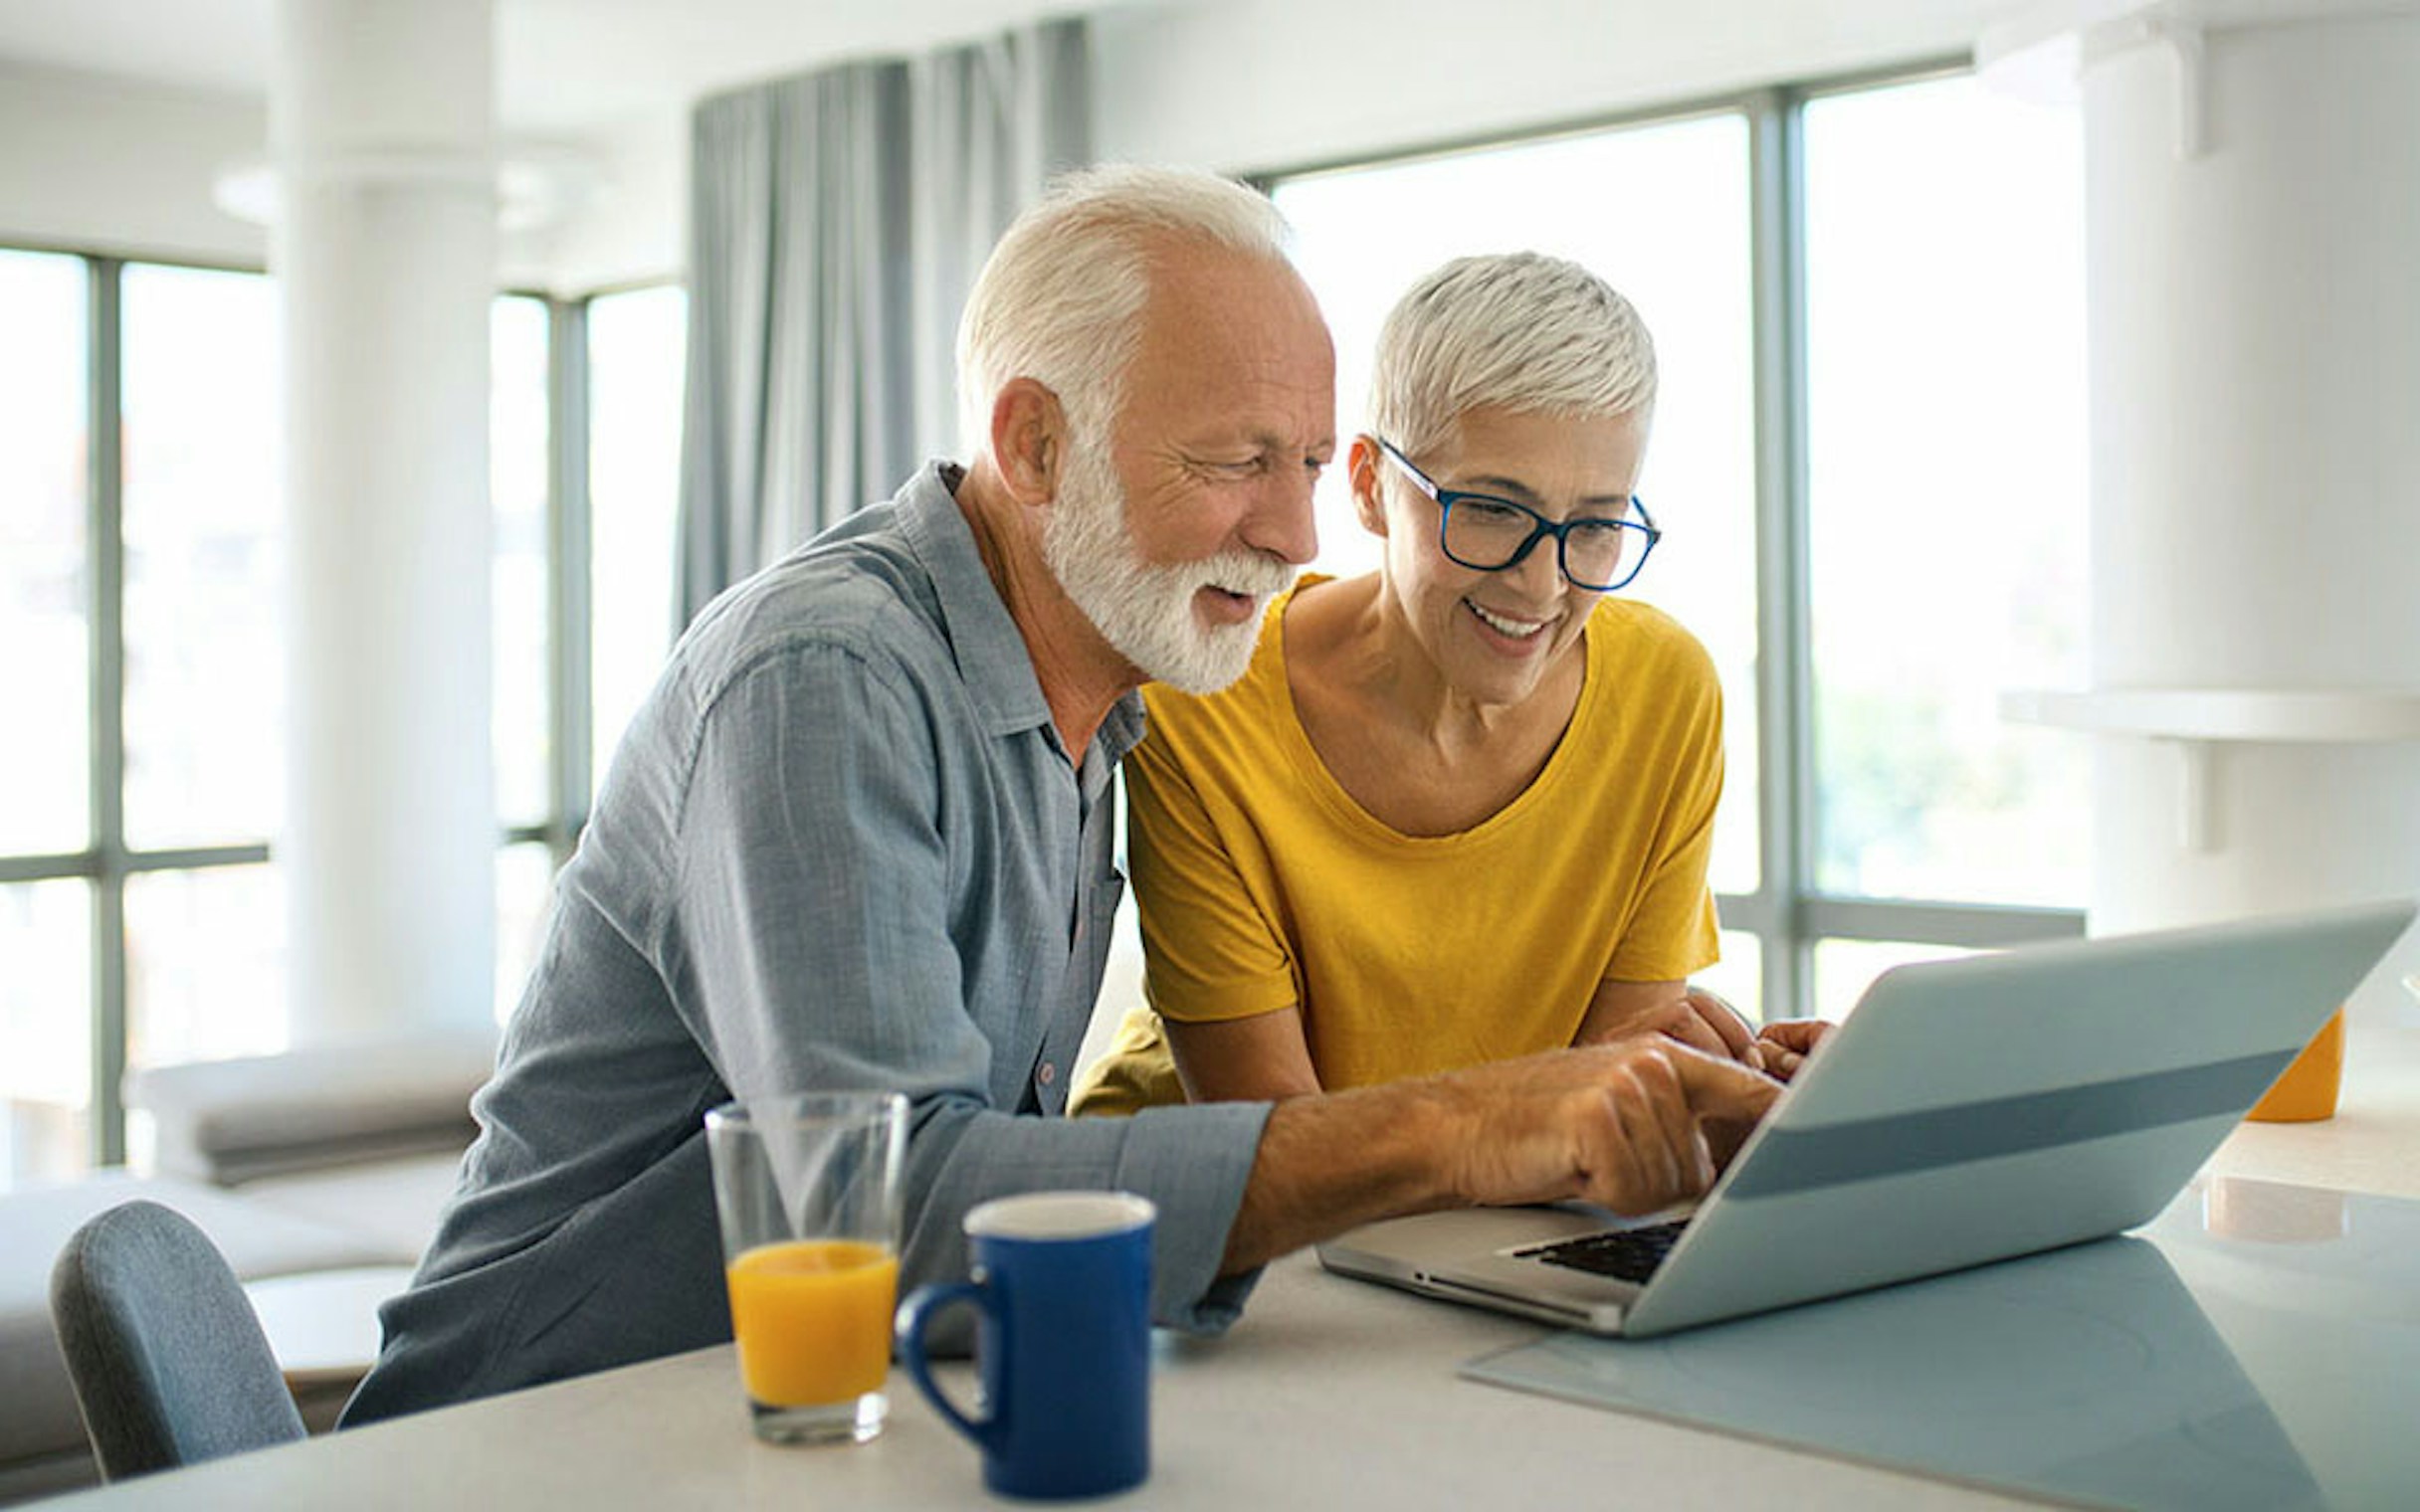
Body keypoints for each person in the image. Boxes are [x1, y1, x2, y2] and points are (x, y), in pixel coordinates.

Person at [344, 168, 1783, 1426]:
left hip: (841, 1413)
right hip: (544, 1438)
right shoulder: (827, 676)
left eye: (1296, 466)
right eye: (1232, 464)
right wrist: (1468, 1124)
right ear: (1034, 445)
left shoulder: (1108, 697)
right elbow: (894, 1211)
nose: (1291, 537)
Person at [1073, 253, 1822, 1116]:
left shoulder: (1665, 693)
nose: (1543, 587)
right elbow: (1271, 1143)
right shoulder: (1207, 695)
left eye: (1595, 526)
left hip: (1483, 1228)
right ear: (1369, 487)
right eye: (1492, 509)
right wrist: (1574, 1116)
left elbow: (1610, 1114)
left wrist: (1766, 1103)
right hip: (1202, 1228)